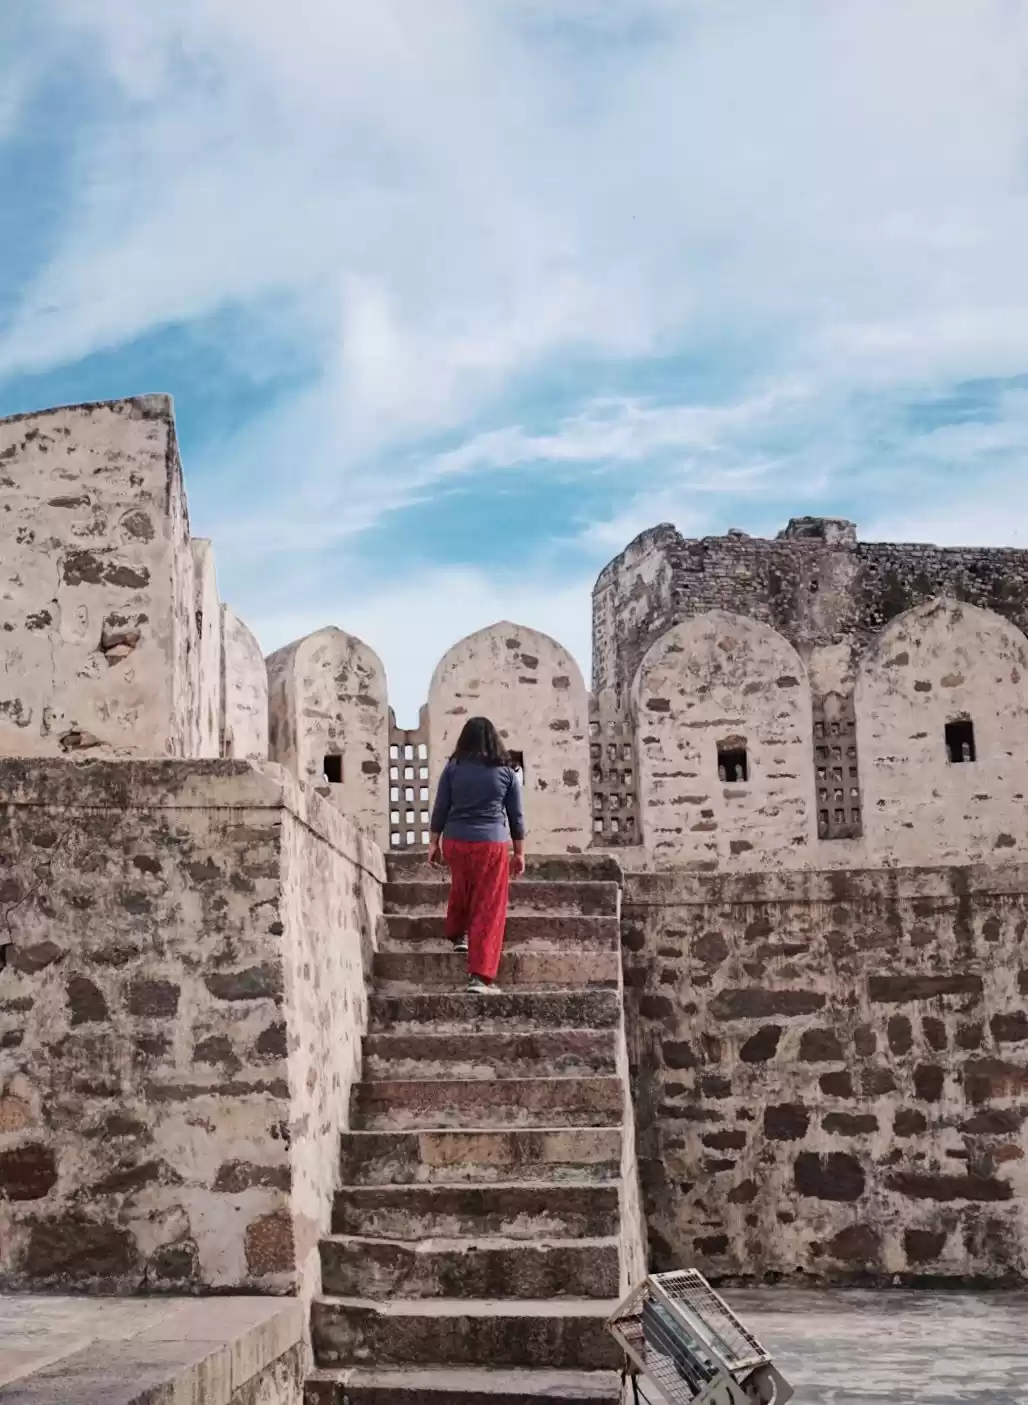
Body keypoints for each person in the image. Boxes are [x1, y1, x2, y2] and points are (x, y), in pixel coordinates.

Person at [427, 717, 526, 994]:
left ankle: (458, 934)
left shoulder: (453, 768)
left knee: (462, 887)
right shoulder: (506, 772)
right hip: (490, 844)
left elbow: (441, 806)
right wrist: (519, 853)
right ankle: (479, 978)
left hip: (455, 841)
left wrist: (433, 843)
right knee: (488, 906)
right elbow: (516, 816)